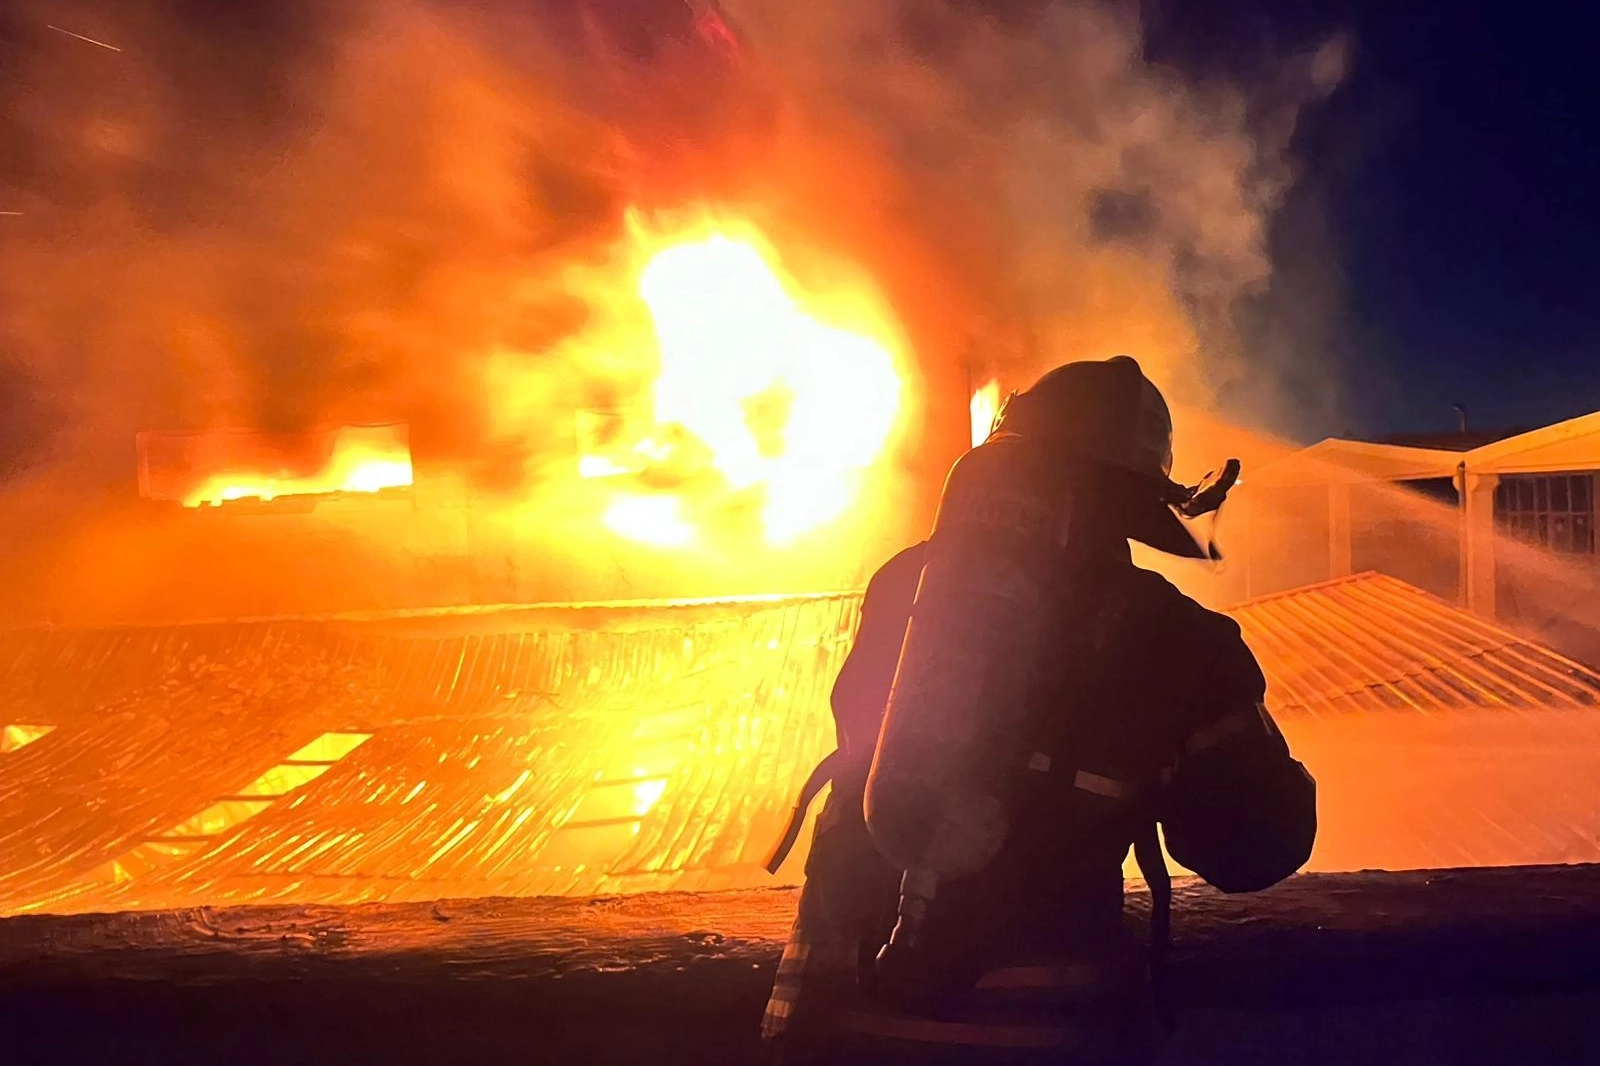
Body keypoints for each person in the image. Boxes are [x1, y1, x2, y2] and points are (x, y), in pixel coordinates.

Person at [760, 355, 1315, 1065]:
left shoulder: (905, 584)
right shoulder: (1172, 634)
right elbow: (1252, 847)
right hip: (1036, 1032)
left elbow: (862, 737)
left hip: (829, 1025)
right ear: (1135, 498)